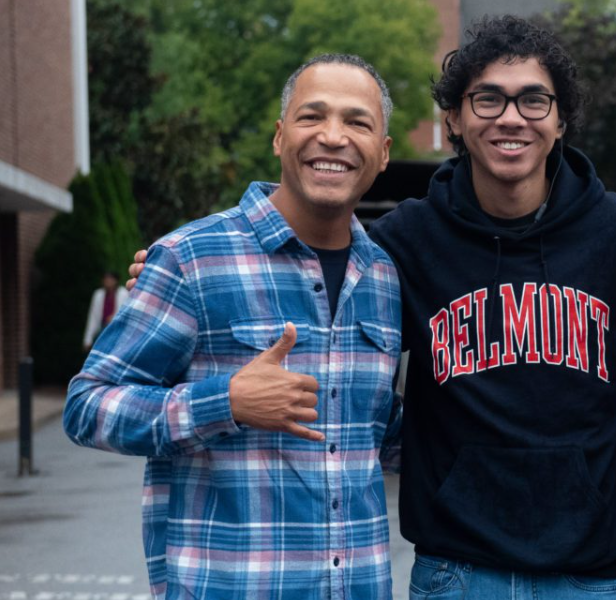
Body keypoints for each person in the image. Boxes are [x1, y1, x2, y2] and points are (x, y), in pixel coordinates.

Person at [126, 17, 616, 598]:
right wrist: (176, 272)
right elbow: (316, 304)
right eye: (487, 99)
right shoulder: (403, 242)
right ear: (454, 120)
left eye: (534, 100)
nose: (511, 117)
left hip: (594, 572)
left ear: (561, 118)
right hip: (456, 570)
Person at [64, 54, 402, 600]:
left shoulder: (384, 277)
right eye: (312, 116)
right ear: (279, 136)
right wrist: (225, 403)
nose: (333, 136)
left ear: (382, 153)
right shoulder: (190, 259)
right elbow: (87, 405)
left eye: (357, 122)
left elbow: (375, 432)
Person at [83, 271, 129, 351]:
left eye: (110, 279)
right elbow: (93, 317)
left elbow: (127, 312)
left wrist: (114, 317)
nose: (108, 281)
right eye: (105, 279)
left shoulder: (124, 293)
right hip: (102, 330)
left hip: (117, 330)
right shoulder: (98, 294)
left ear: (116, 281)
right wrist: (88, 339)